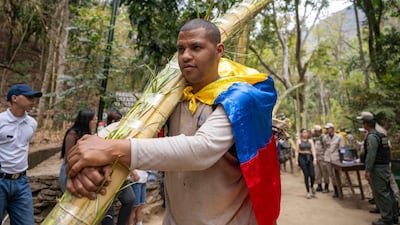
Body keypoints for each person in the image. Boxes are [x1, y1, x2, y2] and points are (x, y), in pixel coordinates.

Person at [66, 18, 280, 225]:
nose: (186, 56)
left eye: (196, 48)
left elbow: (202, 149)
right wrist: (89, 150)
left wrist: (110, 150)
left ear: (219, 51)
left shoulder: (241, 98)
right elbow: (134, 124)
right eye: (181, 49)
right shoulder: (172, 95)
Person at [0, 84, 42, 225]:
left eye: (33, 97)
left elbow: (23, 146)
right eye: (29, 97)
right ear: (15, 98)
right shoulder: (1, 121)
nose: (33, 100)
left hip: (21, 181)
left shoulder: (32, 123)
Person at [358, 112, 398, 225]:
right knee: (389, 192)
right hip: (385, 166)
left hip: (378, 168)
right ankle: (394, 216)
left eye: (363, 122)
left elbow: (371, 155)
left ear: (366, 124)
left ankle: (386, 219)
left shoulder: (372, 137)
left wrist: (368, 170)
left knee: (381, 193)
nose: (362, 124)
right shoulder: (381, 135)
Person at [101, 110, 136, 225]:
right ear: (113, 122)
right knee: (107, 207)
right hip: (106, 175)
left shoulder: (123, 133)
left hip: (121, 175)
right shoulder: (104, 134)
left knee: (130, 199)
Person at [59, 109, 97, 192]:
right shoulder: (72, 134)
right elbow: (68, 157)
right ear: (87, 121)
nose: (95, 122)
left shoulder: (89, 134)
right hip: (71, 170)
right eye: (94, 120)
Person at [322, 122, 344, 198]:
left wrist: (342, 159)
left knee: (337, 175)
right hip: (328, 158)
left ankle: (340, 190)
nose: (327, 130)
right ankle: (336, 191)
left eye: (328, 128)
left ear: (332, 128)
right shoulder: (325, 137)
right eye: (326, 129)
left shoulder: (339, 137)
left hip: (336, 158)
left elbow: (341, 148)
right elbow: (325, 147)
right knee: (331, 175)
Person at [295, 128, 317, 199]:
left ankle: (312, 186)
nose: (305, 134)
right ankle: (308, 192)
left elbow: (313, 150)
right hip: (302, 157)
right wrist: (296, 161)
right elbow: (297, 151)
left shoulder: (310, 141)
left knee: (312, 175)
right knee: (306, 174)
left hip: (309, 157)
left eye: (306, 132)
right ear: (301, 134)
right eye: (304, 132)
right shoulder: (298, 141)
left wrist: (315, 159)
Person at [313, 125, 330, 193]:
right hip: (317, 158)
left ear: (318, 131)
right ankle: (319, 185)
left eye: (315, 131)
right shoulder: (316, 138)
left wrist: (325, 156)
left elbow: (326, 147)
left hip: (323, 157)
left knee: (325, 172)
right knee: (317, 173)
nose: (314, 132)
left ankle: (326, 186)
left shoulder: (324, 137)